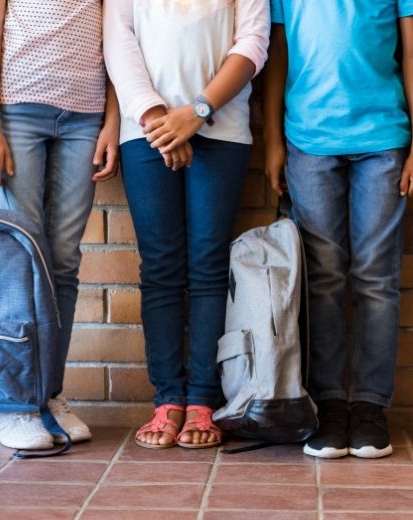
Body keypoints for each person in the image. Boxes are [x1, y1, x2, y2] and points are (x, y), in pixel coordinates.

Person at [264, 1, 413, 459]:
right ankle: (328, 404)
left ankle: (368, 405)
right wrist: (272, 143)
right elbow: (277, 54)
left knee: (377, 278)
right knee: (323, 279)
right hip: (309, 142)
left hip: (383, 142)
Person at [104, 0, 269, 449]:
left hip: (221, 130)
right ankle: (168, 398)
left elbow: (253, 44)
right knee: (160, 268)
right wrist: (157, 118)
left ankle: (202, 398)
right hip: (145, 133)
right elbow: (119, 44)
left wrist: (195, 113)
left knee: (210, 268)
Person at [0, 0, 119, 450]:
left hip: (84, 118)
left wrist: (112, 121)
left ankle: (48, 393)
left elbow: (116, 36)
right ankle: (13, 403)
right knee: (20, 262)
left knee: (63, 263)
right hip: (17, 110)